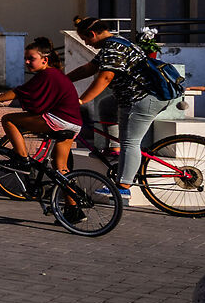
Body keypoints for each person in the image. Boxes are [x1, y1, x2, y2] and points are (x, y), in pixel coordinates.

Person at [71, 16, 178, 200]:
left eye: (86, 39)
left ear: (92, 34)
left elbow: (105, 78)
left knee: (130, 141)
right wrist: (63, 80)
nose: (87, 43)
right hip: (139, 95)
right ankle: (114, 148)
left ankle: (123, 186)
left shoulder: (113, 48)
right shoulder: (116, 43)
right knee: (106, 106)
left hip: (142, 99)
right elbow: (89, 68)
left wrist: (81, 101)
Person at [0, 36, 85, 173]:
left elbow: (18, 92)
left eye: (31, 59)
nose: (27, 62)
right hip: (74, 124)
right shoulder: (54, 74)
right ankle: (73, 194)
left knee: (8, 119)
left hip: (59, 120)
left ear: (45, 60)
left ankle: (22, 159)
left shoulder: (47, 75)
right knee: (60, 169)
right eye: (25, 59)